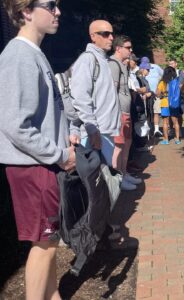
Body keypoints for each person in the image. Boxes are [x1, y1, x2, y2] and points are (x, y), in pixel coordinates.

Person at [0, 1, 75, 298]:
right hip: (34, 167)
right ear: (25, 11)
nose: (58, 11)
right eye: (50, 5)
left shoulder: (33, 54)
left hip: (42, 164)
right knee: (43, 244)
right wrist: (59, 154)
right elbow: (15, 124)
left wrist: (65, 139)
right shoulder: (18, 56)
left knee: (49, 242)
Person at [70, 20, 120, 166]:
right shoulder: (87, 59)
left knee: (105, 181)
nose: (111, 37)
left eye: (111, 33)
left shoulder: (103, 60)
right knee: (96, 183)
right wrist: (92, 130)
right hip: (95, 133)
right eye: (105, 34)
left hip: (105, 132)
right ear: (93, 36)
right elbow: (80, 97)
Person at [108, 35, 142, 190]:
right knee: (119, 146)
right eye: (128, 47)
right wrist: (115, 113)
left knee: (126, 144)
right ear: (118, 48)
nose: (131, 50)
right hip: (119, 112)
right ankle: (118, 179)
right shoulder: (113, 64)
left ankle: (124, 173)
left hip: (126, 111)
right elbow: (112, 90)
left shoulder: (123, 65)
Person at [156, 66, 182, 145]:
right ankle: (177, 139)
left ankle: (166, 140)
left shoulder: (162, 82)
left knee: (165, 122)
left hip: (164, 102)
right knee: (176, 122)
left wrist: (161, 95)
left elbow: (157, 94)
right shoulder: (176, 81)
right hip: (174, 103)